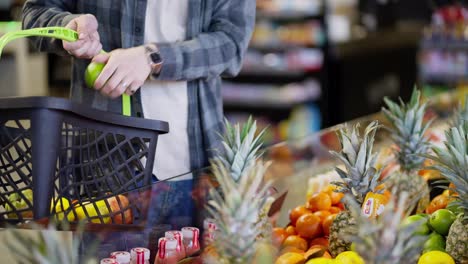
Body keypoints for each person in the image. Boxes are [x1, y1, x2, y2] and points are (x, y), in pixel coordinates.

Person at [22, 0, 255, 229]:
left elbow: (231, 44)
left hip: (195, 169)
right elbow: (35, 12)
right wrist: (68, 26)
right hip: (105, 169)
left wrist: (152, 58)